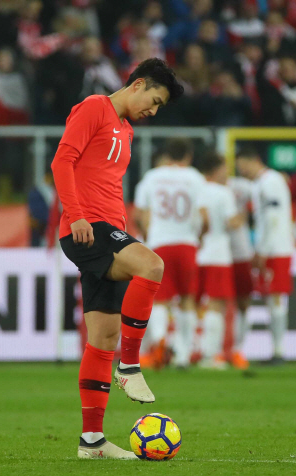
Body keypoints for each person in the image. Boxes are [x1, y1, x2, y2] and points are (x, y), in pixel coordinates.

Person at [51, 58, 183, 459]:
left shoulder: (124, 129)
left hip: (107, 227)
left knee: (101, 339)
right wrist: (75, 215)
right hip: (86, 227)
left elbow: (106, 183)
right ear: (138, 84)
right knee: (153, 265)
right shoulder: (95, 107)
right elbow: (62, 161)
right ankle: (130, 367)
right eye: (154, 100)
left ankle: (92, 441)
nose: (153, 111)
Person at [133, 138, 208, 370]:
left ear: (166, 156)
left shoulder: (152, 177)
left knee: (160, 299)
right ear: (188, 156)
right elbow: (204, 216)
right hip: (187, 243)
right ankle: (183, 355)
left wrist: (148, 234)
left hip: (159, 244)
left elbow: (138, 215)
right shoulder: (195, 178)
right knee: (187, 299)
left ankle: (159, 345)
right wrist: (200, 237)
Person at [235, 147, 294, 364]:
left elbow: (273, 217)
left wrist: (263, 248)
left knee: (276, 298)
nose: (242, 172)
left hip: (276, 249)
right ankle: (276, 350)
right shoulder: (262, 182)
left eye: (243, 167)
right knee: (272, 298)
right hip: (272, 247)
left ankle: (279, 352)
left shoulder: (270, 182)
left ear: (254, 160)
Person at [195, 152, 244, 369]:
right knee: (217, 304)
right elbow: (232, 222)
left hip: (197, 253)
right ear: (216, 169)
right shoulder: (223, 193)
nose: (228, 172)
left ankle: (185, 350)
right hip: (217, 254)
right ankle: (210, 355)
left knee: (191, 303)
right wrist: (243, 215)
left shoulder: (195, 188)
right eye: (225, 167)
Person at [228, 174, 256, 369]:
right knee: (211, 302)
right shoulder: (203, 186)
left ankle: (238, 349)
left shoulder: (248, 186)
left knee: (244, 301)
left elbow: (256, 214)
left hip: (241, 251)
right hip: (215, 253)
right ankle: (209, 350)